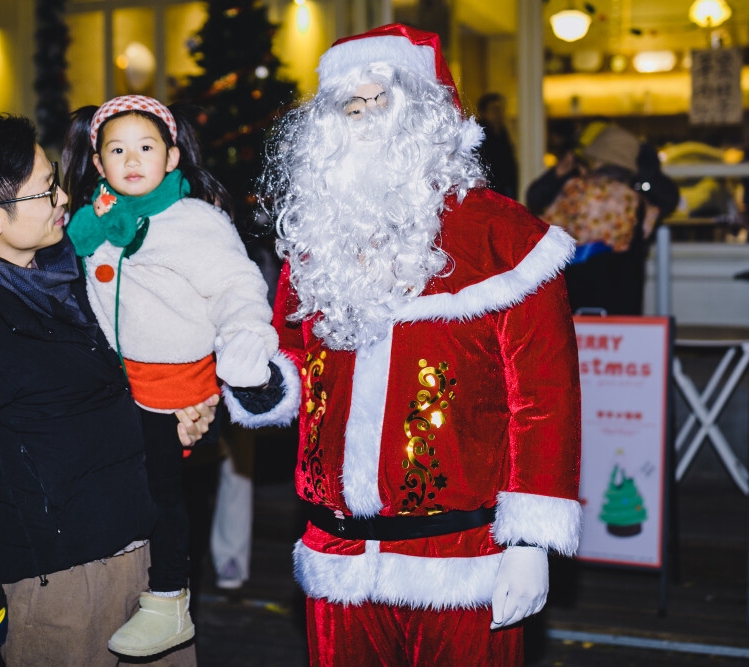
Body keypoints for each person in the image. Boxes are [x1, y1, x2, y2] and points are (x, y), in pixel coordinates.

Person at [223, 24, 583, 665]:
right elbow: (298, 363)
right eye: (348, 108)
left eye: (378, 102)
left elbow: (545, 399)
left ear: (424, 113)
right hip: (337, 557)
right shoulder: (317, 244)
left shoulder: (504, 238)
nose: (362, 121)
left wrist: (530, 542)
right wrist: (261, 383)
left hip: (463, 558)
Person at [0, 114, 213, 666]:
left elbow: (147, 371)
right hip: (57, 591)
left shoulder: (90, 273)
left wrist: (183, 414)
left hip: (149, 566)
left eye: (54, 177)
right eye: (45, 190)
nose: (63, 195)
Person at [61, 95, 278, 658]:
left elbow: (236, 285)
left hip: (173, 383)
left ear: (172, 156)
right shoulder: (95, 221)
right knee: (129, 491)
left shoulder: (192, 221)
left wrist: (246, 337)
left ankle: (169, 600)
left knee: (163, 494)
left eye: (147, 147)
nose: (132, 159)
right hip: (119, 382)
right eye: (117, 149)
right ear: (99, 161)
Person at [540, 124, 661, 315]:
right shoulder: (640, 202)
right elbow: (644, 235)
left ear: (598, 161)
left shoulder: (575, 189)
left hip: (575, 296)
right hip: (622, 299)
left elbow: (545, 230)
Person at [476, 92, 519, 199]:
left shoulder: (502, 132)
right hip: (488, 191)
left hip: (504, 189)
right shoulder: (479, 135)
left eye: (499, 109)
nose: (498, 113)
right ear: (483, 112)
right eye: (493, 109)